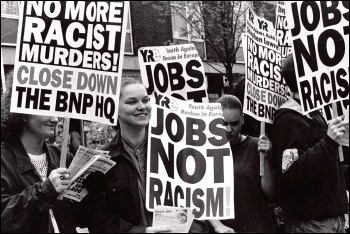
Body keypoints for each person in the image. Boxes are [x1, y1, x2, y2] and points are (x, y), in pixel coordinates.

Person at [80, 77, 208, 233]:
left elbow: (200, 205)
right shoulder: (102, 159)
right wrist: (143, 231)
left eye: (146, 100)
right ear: (115, 110)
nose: (142, 106)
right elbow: (99, 219)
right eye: (132, 102)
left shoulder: (174, 150)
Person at [270, 54, 348, 233]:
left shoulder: (313, 114)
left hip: (329, 222)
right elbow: (291, 174)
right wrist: (328, 143)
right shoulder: (289, 119)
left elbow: (325, 168)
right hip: (312, 226)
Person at [1, 71, 74, 233]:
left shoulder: (62, 157)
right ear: (22, 113)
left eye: (56, 109)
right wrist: (45, 190)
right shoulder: (4, 160)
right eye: (46, 108)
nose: (54, 119)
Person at [207, 94, 276, 233]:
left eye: (234, 123)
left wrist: (267, 159)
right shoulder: (205, 151)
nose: (229, 130)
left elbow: (271, 193)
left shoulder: (258, 147)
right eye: (223, 123)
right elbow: (200, 198)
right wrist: (217, 225)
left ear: (242, 120)